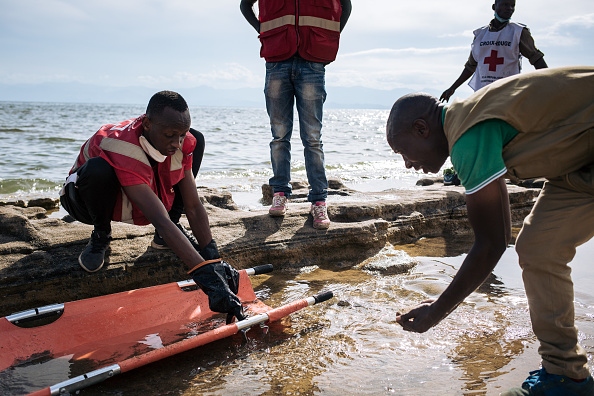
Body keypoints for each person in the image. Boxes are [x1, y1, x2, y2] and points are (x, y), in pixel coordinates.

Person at [387, 67, 594, 395]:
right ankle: (567, 376)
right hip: (575, 165)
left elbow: (491, 242)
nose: (408, 164)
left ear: (421, 128)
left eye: (403, 152)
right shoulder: (467, 123)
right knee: (540, 248)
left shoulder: (467, 133)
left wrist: (436, 312)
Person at [60, 91, 245, 323]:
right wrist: (207, 279)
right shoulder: (121, 145)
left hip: (139, 192)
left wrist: (213, 260)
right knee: (99, 170)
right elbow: (160, 220)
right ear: (147, 124)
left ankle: (163, 239)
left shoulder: (179, 141)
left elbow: (194, 206)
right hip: (85, 200)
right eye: (170, 135)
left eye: (181, 135)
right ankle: (101, 234)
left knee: (196, 141)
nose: (176, 143)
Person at [240, 0, 352, 229]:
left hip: (313, 62)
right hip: (277, 61)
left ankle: (319, 200)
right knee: (279, 135)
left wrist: (329, 36)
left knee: (312, 137)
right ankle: (280, 193)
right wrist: (263, 31)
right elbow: (245, 5)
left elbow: (346, 5)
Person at [440, 0, 547, 103]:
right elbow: (471, 66)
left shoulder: (518, 32)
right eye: (505, 4)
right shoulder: (480, 35)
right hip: (483, 93)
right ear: (494, 7)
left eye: (512, 5)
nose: (509, 8)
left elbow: (536, 58)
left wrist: (550, 81)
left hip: (508, 93)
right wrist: (453, 88)